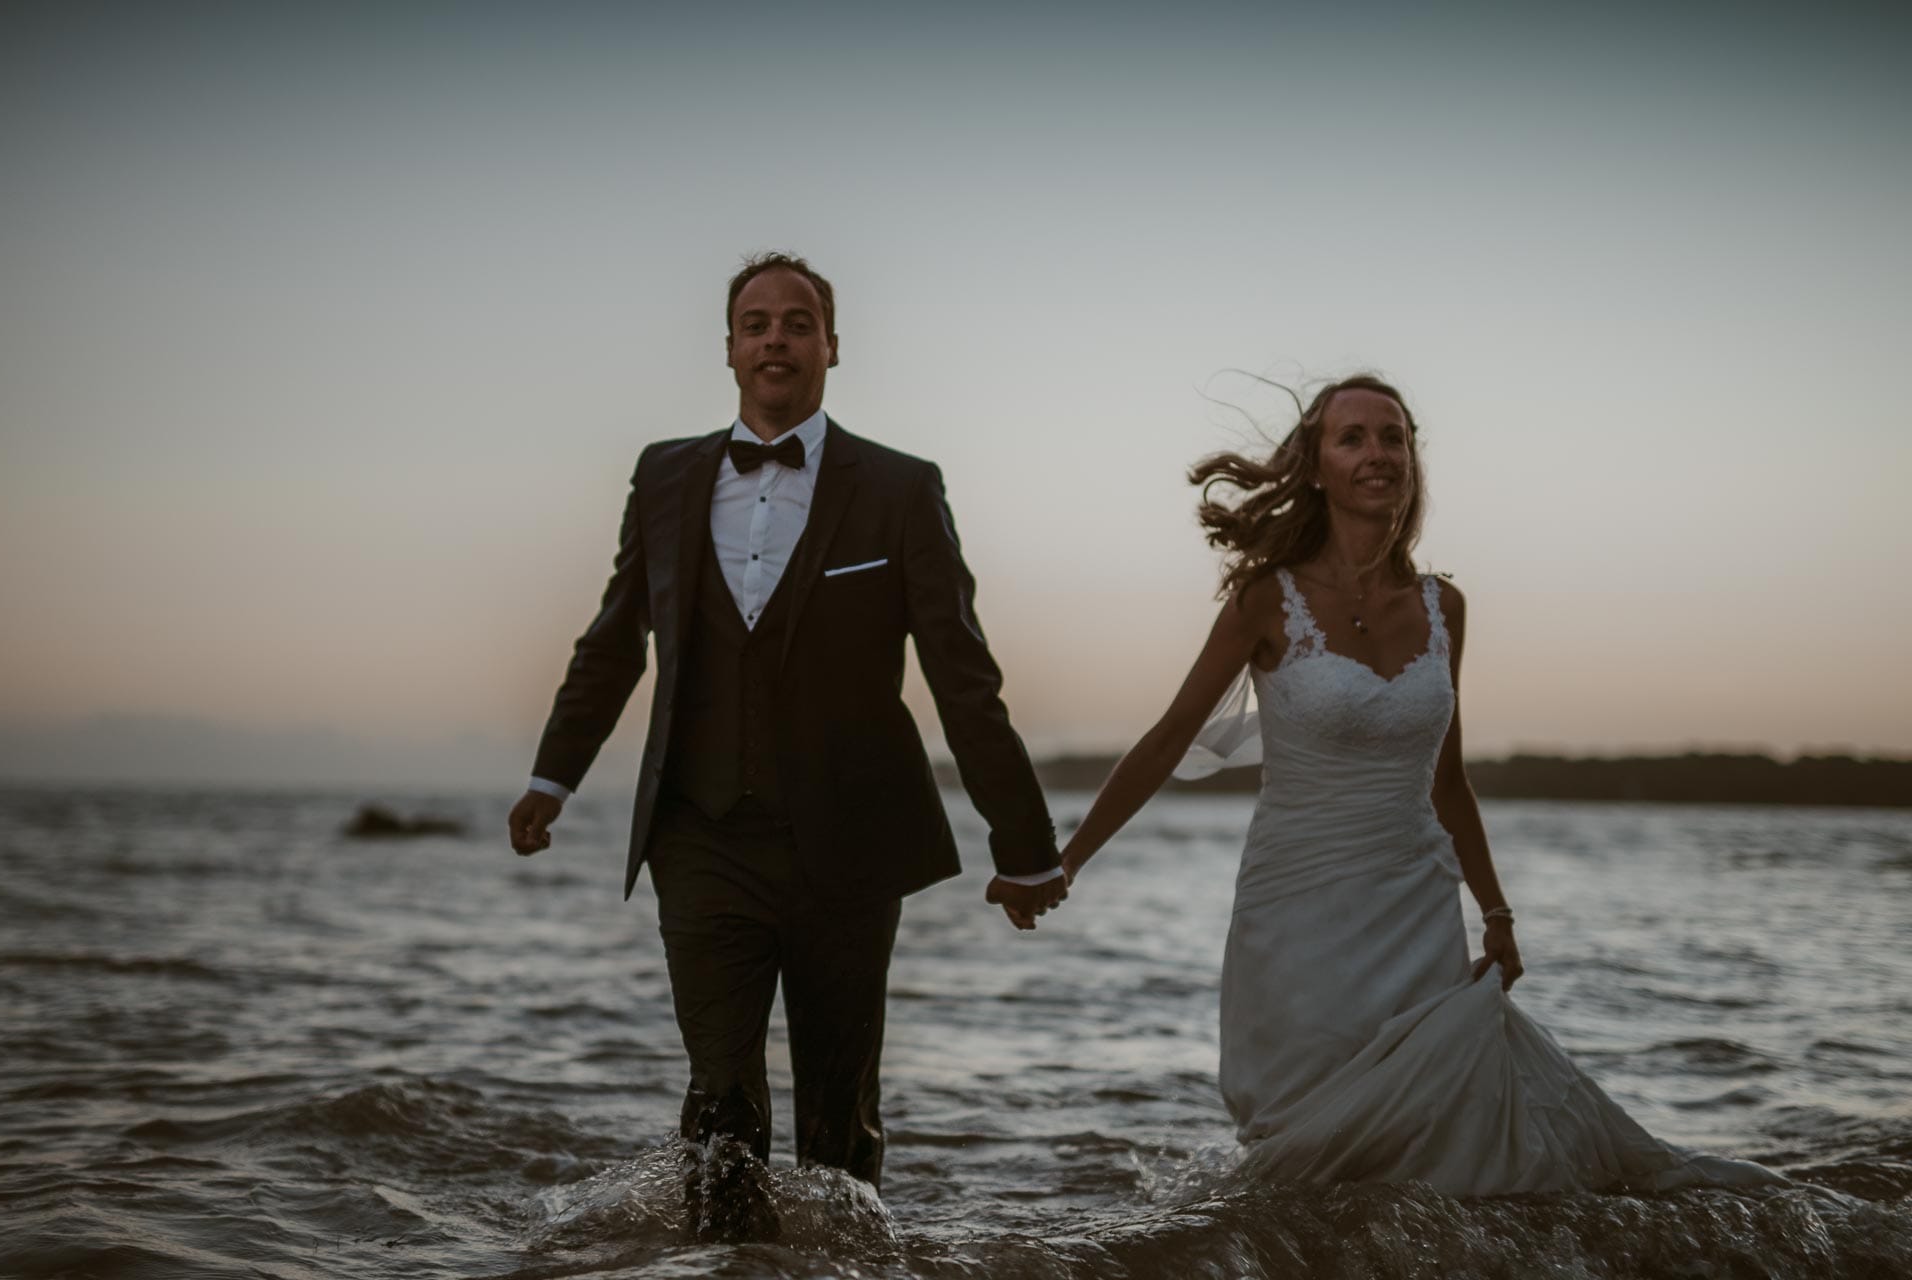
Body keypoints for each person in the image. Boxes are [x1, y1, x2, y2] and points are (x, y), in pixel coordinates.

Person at [1055, 374, 1785, 1195]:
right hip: (1297, 912)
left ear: (1414, 461)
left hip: (1415, 905)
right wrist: (1070, 860)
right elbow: (1165, 741)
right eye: (1354, 438)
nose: (1378, 454)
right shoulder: (1268, 599)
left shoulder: (1446, 607)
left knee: (1439, 1145)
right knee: (1309, 1153)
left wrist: (1498, 912)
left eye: (1393, 437)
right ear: (1317, 467)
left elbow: (1448, 781)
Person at [507, 252, 1068, 1240]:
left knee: (835, 1123)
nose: (776, 337)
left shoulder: (900, 486)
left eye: (797, 322)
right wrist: (553, 776)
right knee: (720, 1103)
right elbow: (613, 637)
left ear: (831, 347)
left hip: (849, 846)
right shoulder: (663, 475)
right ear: (728, 348)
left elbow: (960, 671)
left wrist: (1022, 843)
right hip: (700, 834)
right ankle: (725, 1265)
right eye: (756, 322)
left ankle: (844, 1263)